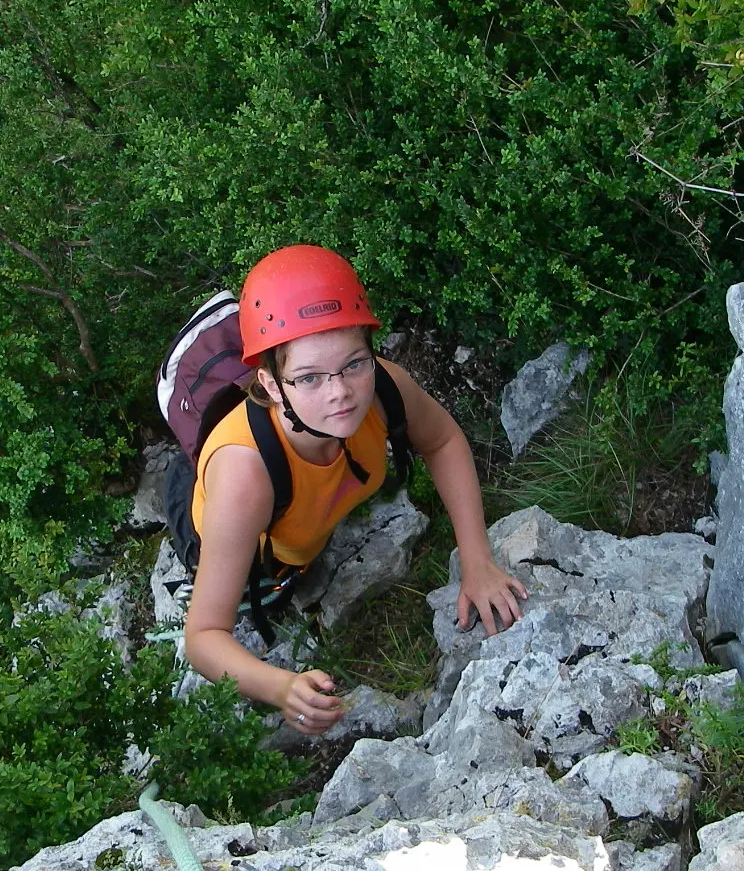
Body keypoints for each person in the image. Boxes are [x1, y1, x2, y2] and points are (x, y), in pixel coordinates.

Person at [183, 244, 528, 733]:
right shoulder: (245, 476)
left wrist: (476, 559)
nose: (340, 392)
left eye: (353, 364)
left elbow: (445, 440)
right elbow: (203, 634)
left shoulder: (384, 387)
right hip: (230, 526)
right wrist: (279, 686)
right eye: (308, 378)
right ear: (272, 384)